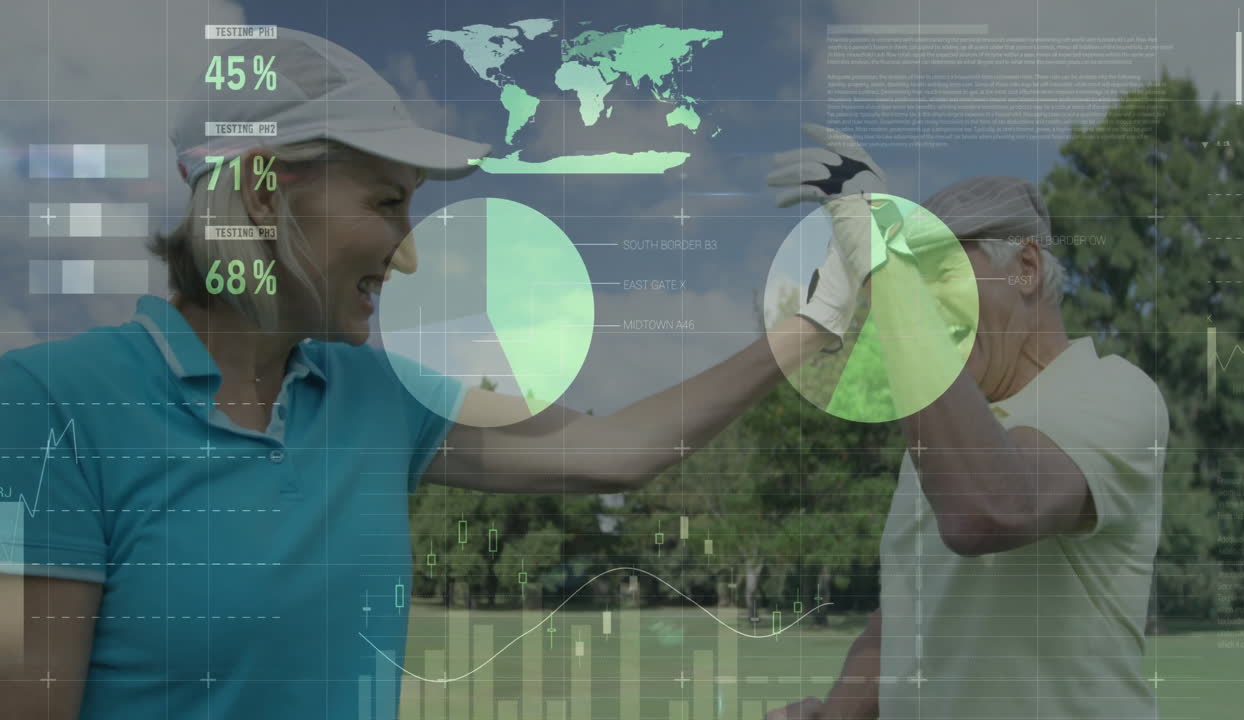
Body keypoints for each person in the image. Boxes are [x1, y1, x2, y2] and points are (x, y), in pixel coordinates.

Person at [0, 31, 885, 720]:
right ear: (265, 195)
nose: (409, 252)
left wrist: (820, 320)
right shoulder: (51, 405)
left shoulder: (378, 398)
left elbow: (616, 449)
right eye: (388, 202)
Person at [766, 163, 1169, 718]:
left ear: (1025, 267)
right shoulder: (942, 436)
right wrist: (836, 714)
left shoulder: (1113, 391)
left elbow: (991, 507)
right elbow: (903, 621)